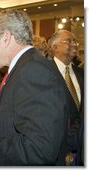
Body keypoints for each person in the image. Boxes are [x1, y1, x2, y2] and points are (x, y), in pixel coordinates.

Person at [0, 9, 74, 166]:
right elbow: (12, 129)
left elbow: (40, 149)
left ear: (5, 38)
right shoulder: (25, 67)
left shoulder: (34, 71)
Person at [48, 30, 84, 165]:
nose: (74, 44)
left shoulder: (82, 74)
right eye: (69, 41)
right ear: (54, 47)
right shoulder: (45, 73)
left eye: (75, 41)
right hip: (57, 149)